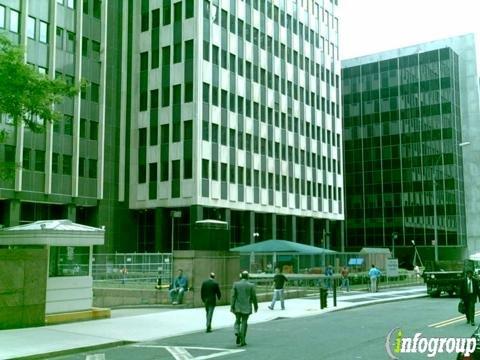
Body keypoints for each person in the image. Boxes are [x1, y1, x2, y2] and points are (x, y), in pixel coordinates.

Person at [231, 271, 258, 347]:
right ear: (247, 277)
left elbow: (233, 296)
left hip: (237, 306)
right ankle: (243, 340)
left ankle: (237, 331)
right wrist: (256, 306)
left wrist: (232, 305)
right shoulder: (251, 285)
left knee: (237, 320)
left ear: (241, 276)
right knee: (244, 322)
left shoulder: (236, 284)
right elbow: (254, 297)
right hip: (246, 307)